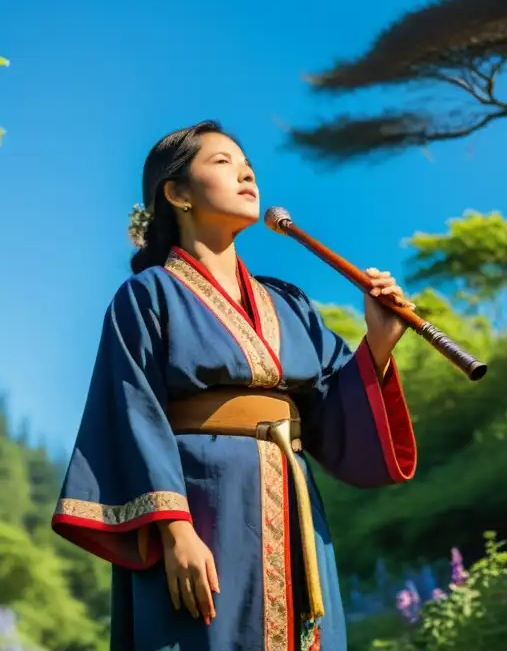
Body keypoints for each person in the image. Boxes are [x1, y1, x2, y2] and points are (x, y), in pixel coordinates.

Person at [51, 120, 419, 651]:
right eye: (222, 162)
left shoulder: (288, 303)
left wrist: (378, 344)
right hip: (202, 510)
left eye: (247, 164)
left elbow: (332, 416)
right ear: (176, 193)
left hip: (293, 505)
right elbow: (134, 411)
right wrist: (175, 529)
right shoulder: (149, 294)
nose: (245, 172)